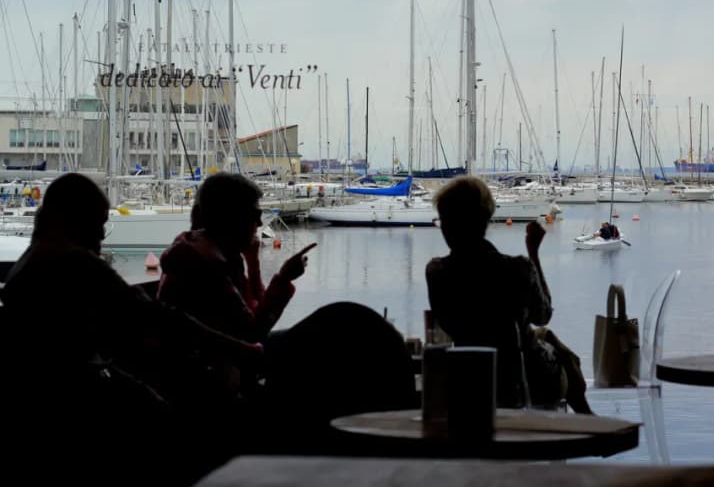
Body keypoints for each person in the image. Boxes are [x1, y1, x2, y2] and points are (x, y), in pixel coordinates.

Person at [0, 173, 261, 486]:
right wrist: (239, 349)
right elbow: (155, 316)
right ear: (71, 220)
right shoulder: (74, 262)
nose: (101, 233)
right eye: (97, 222)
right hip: (72, 396)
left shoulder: (31, 261)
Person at [157, 173, 416, 451]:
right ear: (232, 217)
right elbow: (254, 331)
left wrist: (253, 263)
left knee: (343, 324)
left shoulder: (210, 250)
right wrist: (283, 279)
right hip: (223, 369)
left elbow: (251, 312)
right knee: (345, 322)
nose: (259, 223)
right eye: (255, 214)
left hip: (236, 358)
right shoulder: (207, 263)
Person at [425, 176, 591, 413]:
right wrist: (534, 254)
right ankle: (584, 411)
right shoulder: (517, 269)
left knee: (546, 337)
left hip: (472, 380)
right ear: (485, 219)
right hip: (531, 379)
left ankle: (584, 409)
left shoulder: (437, 273)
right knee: (550, 340)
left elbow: (450, 325)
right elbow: (542, 315)